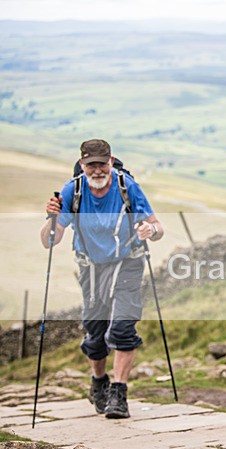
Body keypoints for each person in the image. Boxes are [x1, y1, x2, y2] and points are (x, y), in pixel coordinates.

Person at [41, 139, 163, 419]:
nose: (97, 170)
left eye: (102, 163)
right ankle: (99, 381)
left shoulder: (126, 186)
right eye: (91, 164)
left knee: (121, 329)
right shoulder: (74, 190)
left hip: (128, 262)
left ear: (110, 161)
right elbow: (50, 241)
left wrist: (149, 231)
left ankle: (118, 393)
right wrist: (52, 218)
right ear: (82, 165)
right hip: (91, 268)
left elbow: (158, 227)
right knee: (95, 336)